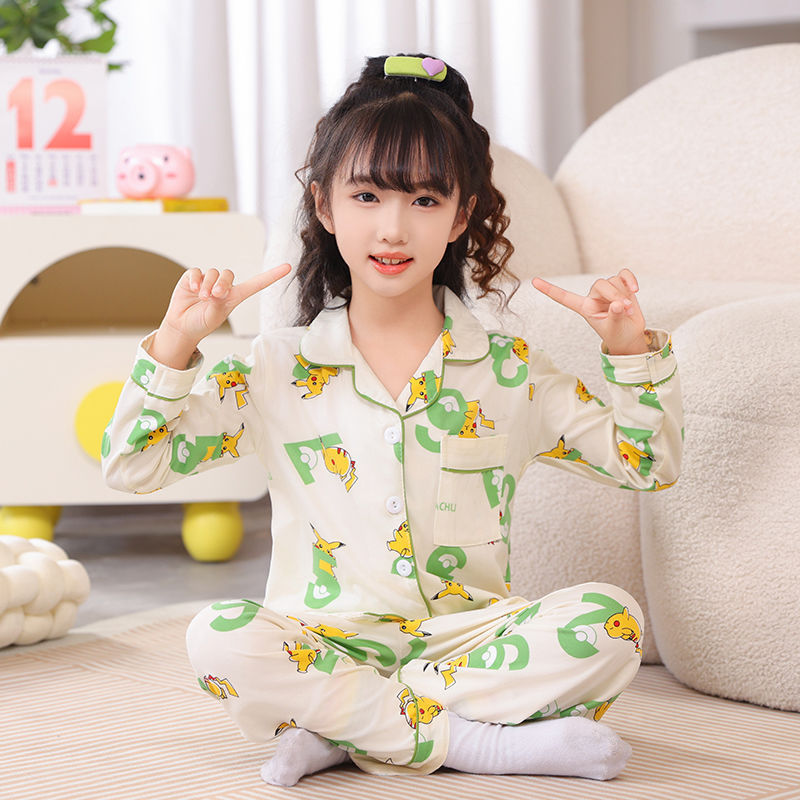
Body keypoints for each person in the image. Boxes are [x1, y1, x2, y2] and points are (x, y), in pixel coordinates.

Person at [102, 54, 682, 786]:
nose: (393, 229)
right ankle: (478, 744)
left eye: (426, 200)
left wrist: (629, 351)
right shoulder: (274, 367)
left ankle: (342, 727)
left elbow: (647, 464)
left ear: (462, 215)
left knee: (609, 621)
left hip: (468, 643)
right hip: (320, 643)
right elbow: (132, 465)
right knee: (218, 637)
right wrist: (174, 344)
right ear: (324, 207)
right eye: (368, 196)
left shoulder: (509, 371)